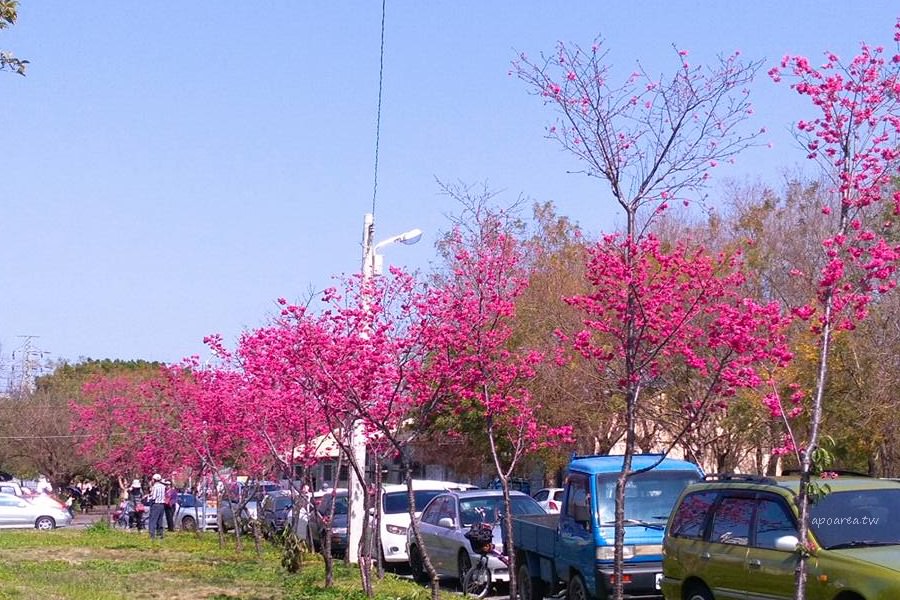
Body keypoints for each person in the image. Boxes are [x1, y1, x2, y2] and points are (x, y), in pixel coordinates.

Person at [148, 474, 167, 539]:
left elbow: (154, 497)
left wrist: (149, 497)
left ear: (154, 480)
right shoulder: (163, 486)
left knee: (153, 520)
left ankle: (152, 535)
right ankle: (160, 534)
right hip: (162, 505)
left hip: (155, 504)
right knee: (160, 520)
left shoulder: (155, 487)